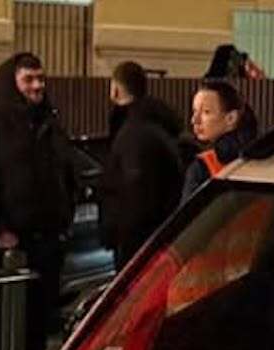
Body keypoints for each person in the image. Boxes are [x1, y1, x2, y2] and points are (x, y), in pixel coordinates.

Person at [0, 52, 79, 350]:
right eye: (28, 80)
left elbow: (66, 173)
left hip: (48, 243)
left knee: (38, 326)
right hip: (12, 246)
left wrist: (64, 221)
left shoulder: (50, 122)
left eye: (40, 79)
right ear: (13, 83)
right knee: (7, 326)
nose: (37, 86)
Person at [100, 61, 184, 267]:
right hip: (156, 235)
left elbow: (134, 193)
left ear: (116, 89)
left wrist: (117, 235)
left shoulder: (133, 134)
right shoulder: (154, 127)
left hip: (136, 243)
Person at [183, 80, 257, 202]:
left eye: (206, 112)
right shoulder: (266, 155)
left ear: (231, 118)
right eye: (195, 111)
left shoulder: (202, 167)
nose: (194, 120)